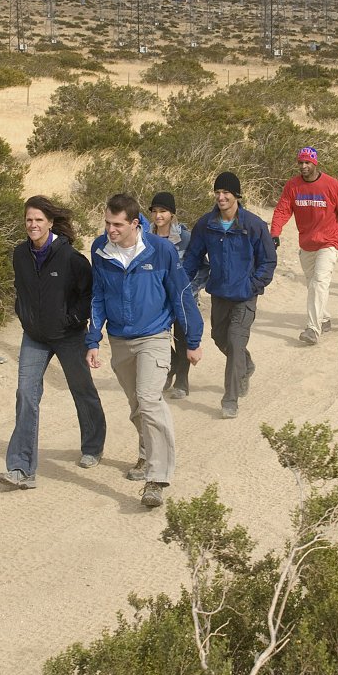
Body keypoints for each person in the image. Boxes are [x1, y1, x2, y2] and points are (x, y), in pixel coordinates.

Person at [86, 193, 203, 508]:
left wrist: (192, 340)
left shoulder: (161, 250)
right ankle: (145, 452)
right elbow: (98, 295)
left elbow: (181, 295)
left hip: (154, 336)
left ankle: (157, 478)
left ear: (135, 224)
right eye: (108, 223)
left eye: (118, 225)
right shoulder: (100, 249)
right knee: (137, 405)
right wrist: (93, 338)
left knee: (150, 401)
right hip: (119, 339)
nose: (111, 230)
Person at [0, 196, 106, 490]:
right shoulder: (20, 254)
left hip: (69, 336)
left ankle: (93, 446)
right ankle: (21, 468)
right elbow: (21, 291)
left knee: (82, 389)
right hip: (34, 336)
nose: (33, 225)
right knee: (26, 394)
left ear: (50, 223)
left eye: (38, 220)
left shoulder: (71, 258)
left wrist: (72, 320)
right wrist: (24, 316)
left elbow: (89, 296)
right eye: (29, 220)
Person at [183, 172, 277, 418]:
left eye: (226, 193)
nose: (221, 197)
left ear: (237, 196)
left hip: (245, 295)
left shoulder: (253, 225)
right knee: (218, 337)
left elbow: (268, 260)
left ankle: (230, 399)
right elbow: (193, 257)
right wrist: (180, 282)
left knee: (235, 343)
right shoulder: (206, 224)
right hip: (220, 293)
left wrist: (254, 285)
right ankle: (245, 364)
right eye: (218, 192)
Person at [270, 146, 338, 345]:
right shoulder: (293, 186)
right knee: (313, 285)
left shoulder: (331, 185)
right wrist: (275, 232)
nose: (303, 166)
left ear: (315, 163)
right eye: (300, 162)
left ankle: (312, 329)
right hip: (307, 243)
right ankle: (324, 318)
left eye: (307, 162)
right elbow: (282, 210)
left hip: (329, 241)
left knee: (319, 282)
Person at [148, 191, 200, 398]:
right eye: (155, 211)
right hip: (157, 298)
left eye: (163, 211)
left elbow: (201, 266)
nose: (158, 215)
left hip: (180, 297)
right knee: (155, 335)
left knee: (182, 338)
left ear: (172, 214)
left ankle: (182, 382)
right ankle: (172, 366)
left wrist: (190, 289)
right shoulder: (146, 238)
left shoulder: (185, 238)